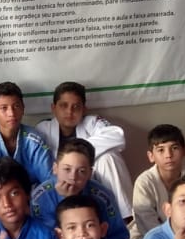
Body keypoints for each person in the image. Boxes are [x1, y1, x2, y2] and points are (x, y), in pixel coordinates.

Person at [34, 82, 134, 218]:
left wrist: (79, 150)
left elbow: (117, 136)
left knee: (108, 157)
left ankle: (127, 218)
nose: (70, 112)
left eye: (76, 107)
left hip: (88, 179)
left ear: (84, 109)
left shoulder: (92, 122)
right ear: (54, 108)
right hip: (58, 183)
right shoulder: (43, 129)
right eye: (64, 105)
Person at [30, 138, 129, 239]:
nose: (73, 177)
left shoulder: (102, 196)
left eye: (81, 171)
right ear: (55, 168)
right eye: (67, 169)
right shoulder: (40, 197)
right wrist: (67, 200)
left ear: (90, 173)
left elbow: (119, 236)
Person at [0, 81, 53, 186]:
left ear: (23, 109)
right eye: (4, 108)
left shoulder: (35, 139)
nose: (11, 113)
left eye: (16, 106)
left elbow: (49, 180)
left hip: (34, 194)